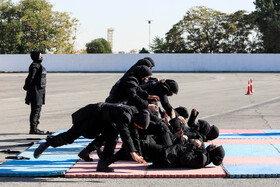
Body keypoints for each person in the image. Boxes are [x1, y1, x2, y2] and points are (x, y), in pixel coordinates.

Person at [33, 102, 150, 172]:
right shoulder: (125, 116)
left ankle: (103, 163)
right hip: (90, 116)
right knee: (69, 137)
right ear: (136, 121)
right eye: (139, 126)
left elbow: (133, 135)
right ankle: (48, 143)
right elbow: (125, 135)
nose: (138, 128)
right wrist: (132, 152)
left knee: (112, 136)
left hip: (102, 120)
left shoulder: (135, 114)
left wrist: (138, 152)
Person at [23, 51, 49, 135]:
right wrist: (26, 86)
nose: (41, 57)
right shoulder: (34, 66)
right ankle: (33, 129)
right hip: (35, 91)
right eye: (40, 55)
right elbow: (30, 77)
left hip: (39, 91)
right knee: (35, 110)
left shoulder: (38, 65)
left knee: (37, 110)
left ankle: (35, 127)